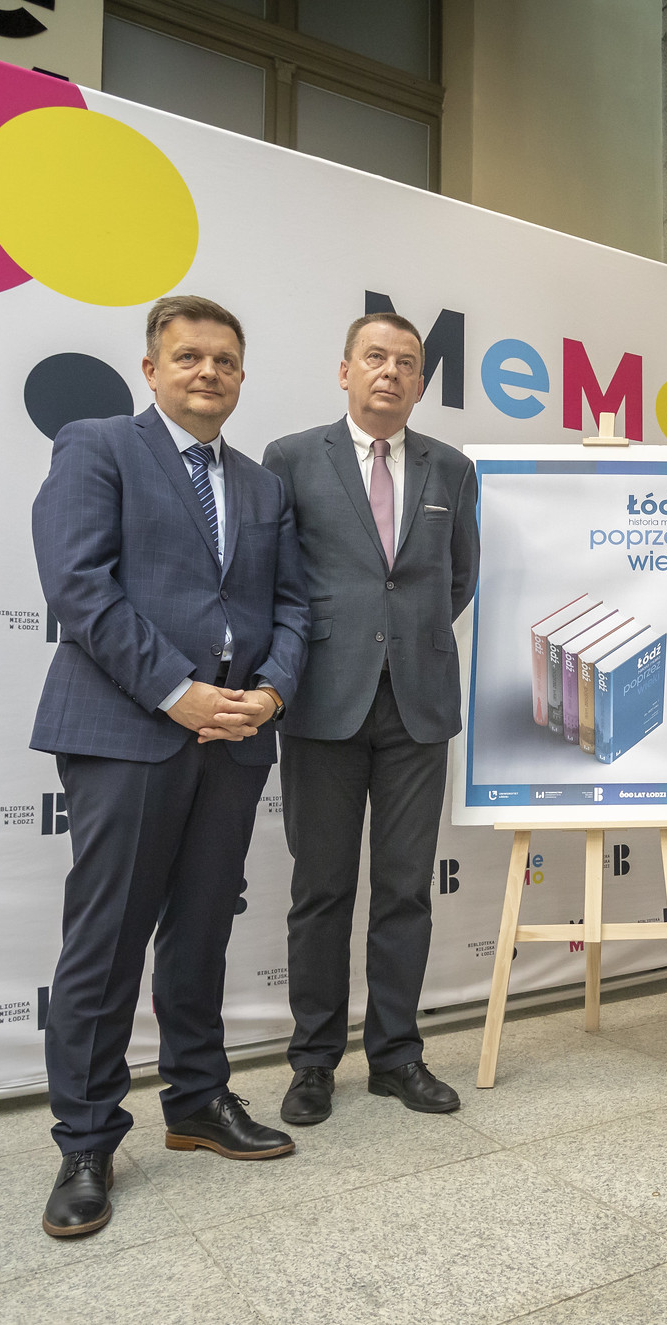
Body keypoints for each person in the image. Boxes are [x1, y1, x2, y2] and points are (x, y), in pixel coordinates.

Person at [31, 295, 308, 1238]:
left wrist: (268, 694)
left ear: (241, 376)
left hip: (234, 739)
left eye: (226, 360)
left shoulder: (263, 487)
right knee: (105, 941)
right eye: (188, 356)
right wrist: (175, 691)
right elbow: (79, 586)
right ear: (151, 369)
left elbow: (294, 607)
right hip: (127, 730)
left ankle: (196, 1100)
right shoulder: (98, 444)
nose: (208, 372)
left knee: (200, 930)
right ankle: (86, 1138)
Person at [262, 314, 478, 1126]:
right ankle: (313, 1061)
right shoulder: (290, 459)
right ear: (344, 370)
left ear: (421, 383)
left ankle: (396, 1054)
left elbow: (459, 577)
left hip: (417, 705)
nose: (390, 372)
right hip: (322, 699)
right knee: (320, 889)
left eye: (407, 363)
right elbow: (276, 576)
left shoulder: (451, 470)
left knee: (403, 890)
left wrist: (405, 641)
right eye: (375, 358)